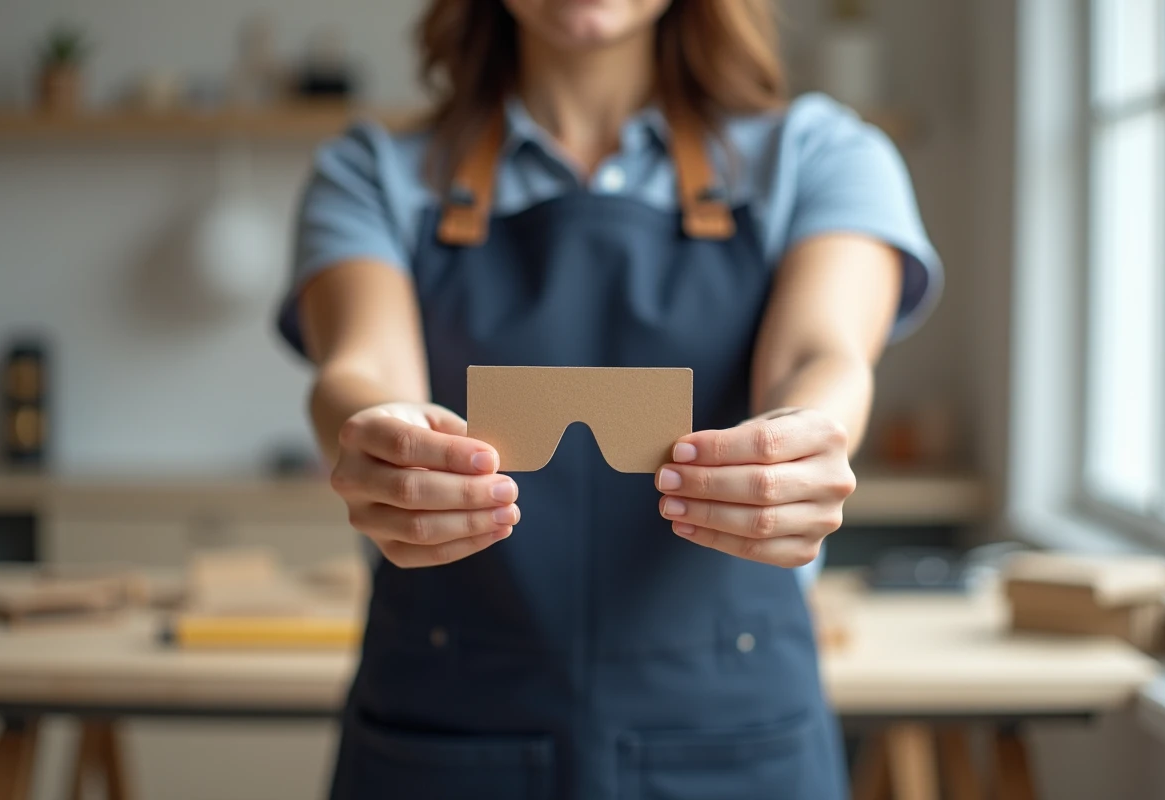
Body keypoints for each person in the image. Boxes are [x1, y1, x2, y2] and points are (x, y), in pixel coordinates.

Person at [275, 1, 941, 797]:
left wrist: (808, 434)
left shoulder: (822, 156)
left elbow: (820, 354)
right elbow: (361, 366)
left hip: (738, 744)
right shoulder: (372, 172)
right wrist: (376, 437)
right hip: (442, 744)